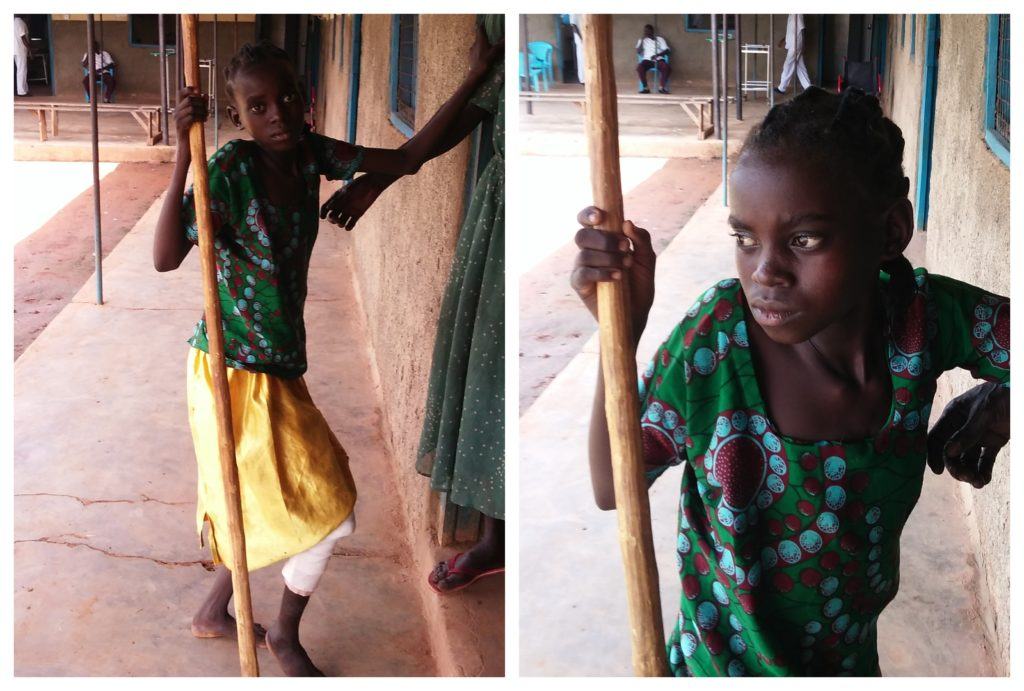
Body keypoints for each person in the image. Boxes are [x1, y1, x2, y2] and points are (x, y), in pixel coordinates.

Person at [571, 86, 1009, 676]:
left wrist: (1005, 400)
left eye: (804, 239)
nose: (765, 272)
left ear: (891, 232)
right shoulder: (718, 343)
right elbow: (611, 484)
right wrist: (618, 337)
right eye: (745, 239)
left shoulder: (921, 320)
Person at [153, 32, 502, 676]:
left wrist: (475, 81)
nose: (277, 114)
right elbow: (166, 255)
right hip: (233, 372)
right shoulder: (230, 170)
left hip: (280, 365)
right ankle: (284, 636)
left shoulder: (312, 154)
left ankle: (212, 612)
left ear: (305, 97)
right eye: (258, 106)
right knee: (331, 514)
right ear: (238, 116)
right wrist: (184, 153)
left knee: (258, 503)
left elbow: (409, 156)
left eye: (286, 97)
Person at [321, 15, 506, 595]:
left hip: (506, 220)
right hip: (495, 221)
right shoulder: (238, 166)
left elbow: (415, 152)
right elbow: (440, 135)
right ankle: (495, 536)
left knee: (497, 373)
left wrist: (379, 175)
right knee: (486, 369)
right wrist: (377, 177)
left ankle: (496, 535)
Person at [775, 13, 811, 95]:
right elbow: (791, 31)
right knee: (800, 67)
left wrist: (803, 45)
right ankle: (809, 88)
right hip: (793, 44)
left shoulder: (797, 14)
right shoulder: (791, 15)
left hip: (796, 44)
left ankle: (782, 88)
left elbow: (802, 29)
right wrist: (783, 40)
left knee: (787, 65)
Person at [636, 23, 671, 94]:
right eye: (645, 31)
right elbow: (638, 51)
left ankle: (661, 88)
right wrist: (642, 40)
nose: (646, 32)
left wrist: (657, 55)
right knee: (639, 68)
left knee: (666, 67)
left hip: (658, 59)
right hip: (647, 60)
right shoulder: (641, 40)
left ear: (652, 31)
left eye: (648, 31)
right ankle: (646, 88)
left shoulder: (660, 39)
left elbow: (667, 50)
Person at [14, 15, 31, 97]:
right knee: (21, 70)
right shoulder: (20, 22)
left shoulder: (12, 22)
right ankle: (21, 92)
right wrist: (30, 49)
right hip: (20, 50)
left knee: (20, 70)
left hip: (14, 50)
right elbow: (23, 37)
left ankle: (24, 89)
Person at [570, 14, 585, 85]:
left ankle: (585, 78)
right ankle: (582, 79)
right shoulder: (573, 13)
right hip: (580, 39)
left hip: (585, 37)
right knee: (581, 58)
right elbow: (574, 26)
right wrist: (581, 37)